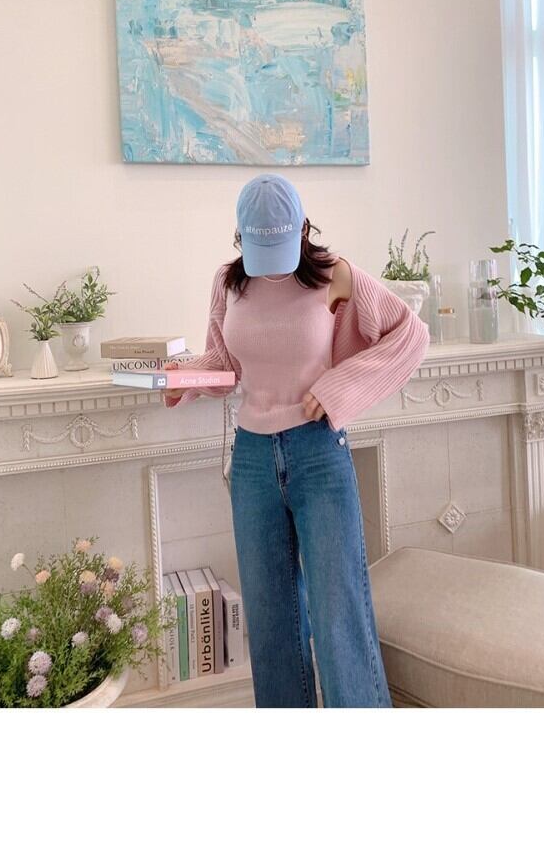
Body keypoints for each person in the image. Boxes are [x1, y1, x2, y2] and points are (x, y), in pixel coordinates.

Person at [163, 173, 430, 708]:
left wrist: (340, 388)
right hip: (252, 461)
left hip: (318, 454)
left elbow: (410, 335)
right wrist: (181, 378)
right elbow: (226, 364)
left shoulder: (335, 275)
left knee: (338, 616)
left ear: (303, 229)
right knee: (271, 622)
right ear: (240, 236)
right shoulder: (228, 283)